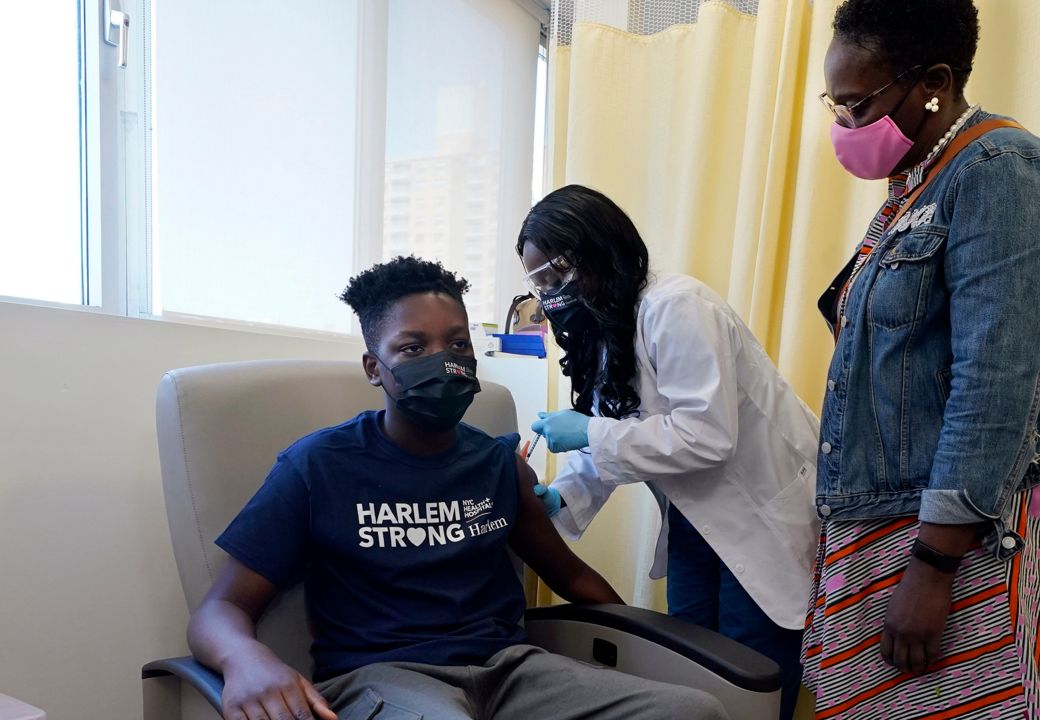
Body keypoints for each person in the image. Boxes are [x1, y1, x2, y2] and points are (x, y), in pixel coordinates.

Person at [186, 257, 728, 720]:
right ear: (374, 368)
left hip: (511, 674)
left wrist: (640, 644)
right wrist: (246, 661)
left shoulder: (498, 464)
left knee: (694, 712)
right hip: (385, 677)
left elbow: (574, 577)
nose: (441, 360)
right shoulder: (318, 467)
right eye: (413, 347)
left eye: (457, 343)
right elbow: (219, 610)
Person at [801, 1, 1040, 718]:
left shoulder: (1001, 172)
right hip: (895, 518)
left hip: (959, 538)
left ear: (932, 82)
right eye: (834, 104)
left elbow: (994, 383)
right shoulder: (920, 183)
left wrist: (932, 565)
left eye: (856, 104)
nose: (843, 126)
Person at [518, 185, 820, 720]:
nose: (549, 293)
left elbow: (705, 434)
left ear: (599, 249)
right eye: (537, 280)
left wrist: (589, 432)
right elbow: (614, 439)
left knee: (751, 680)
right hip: (693, 523)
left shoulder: (676, 306)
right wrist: (559, 498)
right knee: (690, 673)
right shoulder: (607, 328)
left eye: (556, 273)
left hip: (761, 517)